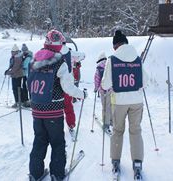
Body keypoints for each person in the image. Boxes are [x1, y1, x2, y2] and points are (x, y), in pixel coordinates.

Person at [27, 29, 88, 181]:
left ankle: (35, 173)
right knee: (57, 142)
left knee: (39, 141)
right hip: (53, 109)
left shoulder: (34, 61)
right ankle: (57, 173)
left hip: (36, 108)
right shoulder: (59, 62)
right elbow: (68, 88)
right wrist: (82, 94)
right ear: (58, 45)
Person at [101, 30, 148, 176]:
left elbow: (105, 84)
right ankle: (138, 162)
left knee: (118, 131)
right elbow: (145, 81)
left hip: (119, 101)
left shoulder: (112, 59)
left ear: (115, 45)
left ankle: (115, 161)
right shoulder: (137, 59)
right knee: (136, 131)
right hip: (136, 101)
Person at [94, 51, 112, 134]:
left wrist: (96, 88)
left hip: (102, 90)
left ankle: (106, 123)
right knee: (110, 106)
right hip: (111, 90)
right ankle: (112, 121)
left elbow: (97, 79)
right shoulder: (110, 65)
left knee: (105, 107)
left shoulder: (99, 67)